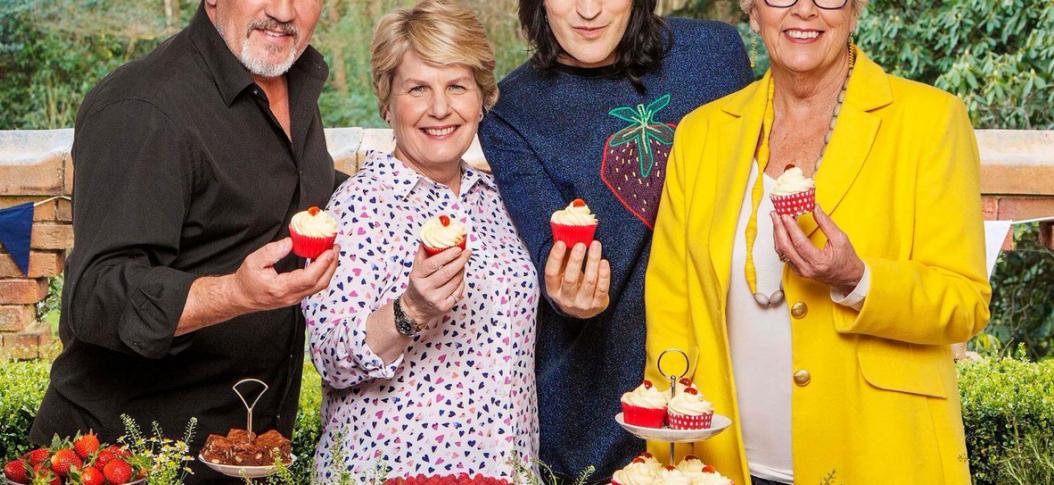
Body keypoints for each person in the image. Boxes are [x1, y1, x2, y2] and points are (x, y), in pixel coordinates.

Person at [645, 0, 992, 483]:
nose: (804, 10)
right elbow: (671, 311)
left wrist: (857, 279)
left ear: (856, 10)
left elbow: (965, 302)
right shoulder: (701, 134)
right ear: (752, 11)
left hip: (879, 459)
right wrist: (665, 456)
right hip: (721, 465)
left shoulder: (931, 121)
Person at [29, 1, 341, 482]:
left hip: (244, 455)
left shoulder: (292, 79)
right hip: (129, 460)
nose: (282, 10)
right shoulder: (143, 107)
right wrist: (233, 295)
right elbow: (95, 297)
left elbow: (271, 197)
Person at [478, 0, 751, 481]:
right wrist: (569, 293)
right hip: (594, 415)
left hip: (723, 389)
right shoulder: (511, 110)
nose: (588, 10)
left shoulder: (715, 54)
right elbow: (549, 247)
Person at [301, 0, 538, 480]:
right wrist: (411, 311)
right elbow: (330, 358)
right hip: (390, 470)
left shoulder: (503, 200)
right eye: (417, 88)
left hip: (503, 469)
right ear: (387, 101)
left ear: (482, 97)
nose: (440, 108)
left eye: (456, 86)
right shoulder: (357, 207)